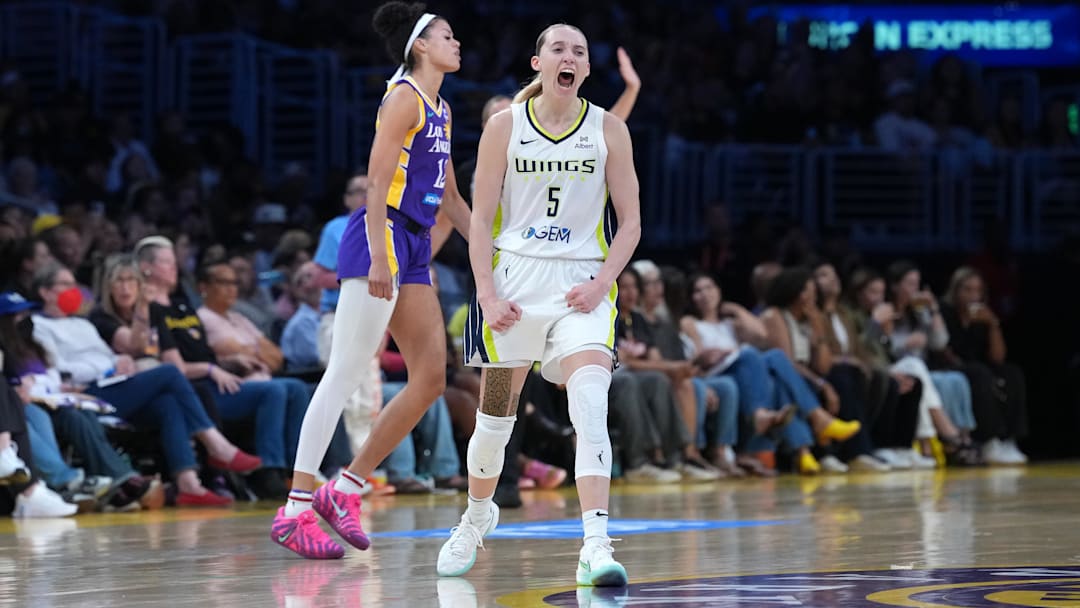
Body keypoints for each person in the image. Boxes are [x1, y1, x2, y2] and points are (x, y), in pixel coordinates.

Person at [440, 22, 641, 587]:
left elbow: (631, 224)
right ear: (538, 63)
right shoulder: (504, 127)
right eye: (559, 48)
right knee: (494, 422)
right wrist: (486, 293)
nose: (569, 56)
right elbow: (479, 220)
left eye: (579, 50)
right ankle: (477, 516)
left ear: (585, 69)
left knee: (590, 404)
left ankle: (595, 544)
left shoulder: (609, 130)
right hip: (514, 284)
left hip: (582, 286)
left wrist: (603, 283)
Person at [271, 1, 471, 559]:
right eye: (447, 36)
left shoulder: (443, 109)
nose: (458, 43)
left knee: (430, 376)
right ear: (421, 45)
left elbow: (452, 200)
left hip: (411, 244)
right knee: (345, 372)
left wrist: (492, 256)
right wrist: (381, 257)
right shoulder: (404, 96)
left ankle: (347, 487)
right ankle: (294, 509)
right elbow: (376, 183)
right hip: (380, 236)